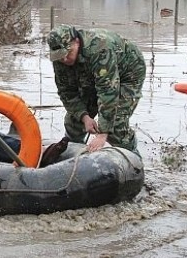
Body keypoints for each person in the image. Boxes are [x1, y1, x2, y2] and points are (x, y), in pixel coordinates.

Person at [44, 24, 145, 163]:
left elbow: (108, 91)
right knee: (74, 121)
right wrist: (85, 117)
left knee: (115, 126)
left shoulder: (100, 48)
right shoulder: (60, 59)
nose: (65, 60)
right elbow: (66, 92)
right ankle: (72, 162)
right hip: (91, 73)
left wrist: (103, 133)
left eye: (68, 53)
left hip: (128, 73)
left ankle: (135, 162)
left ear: (76, 41)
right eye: (60, 57)